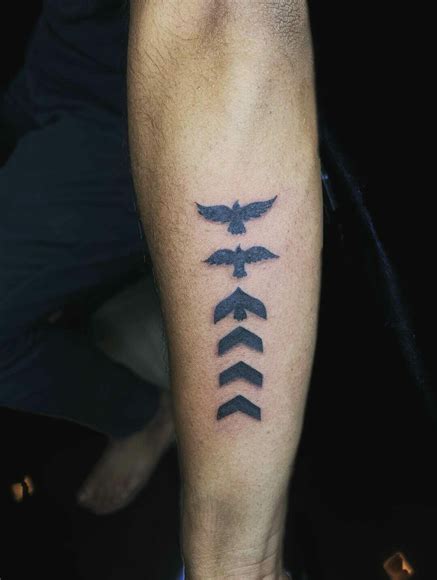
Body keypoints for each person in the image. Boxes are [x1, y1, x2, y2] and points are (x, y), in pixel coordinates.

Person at [0, 1, 322, 578]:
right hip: (54, 63)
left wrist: (237, 558)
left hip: (136, 110)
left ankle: (145, 414)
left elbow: (222, 21)